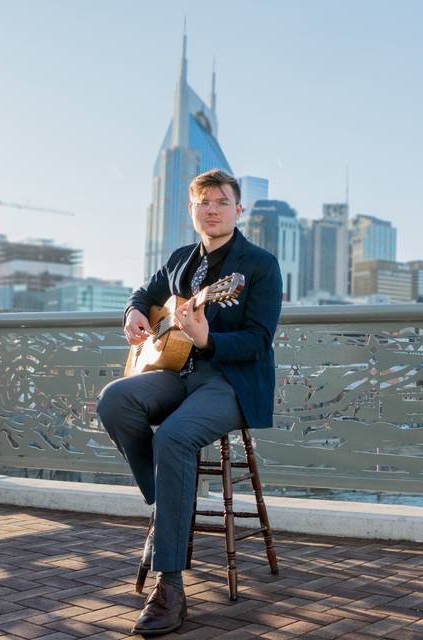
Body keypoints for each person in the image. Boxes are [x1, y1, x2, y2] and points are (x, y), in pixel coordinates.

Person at [97, 168, 282, 636]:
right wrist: (135, 313)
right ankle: (169, 509)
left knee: (175, 438)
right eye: (204, 202)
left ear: (238, 210)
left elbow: (259, 341)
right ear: (192, 211)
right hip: (178, 373)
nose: (212, 209)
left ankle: (170, 587)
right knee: (115, 400)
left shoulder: (258, 266)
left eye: (222, 201)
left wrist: (207, 338)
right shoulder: (181, 259)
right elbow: (144, 293)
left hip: (230, 382)